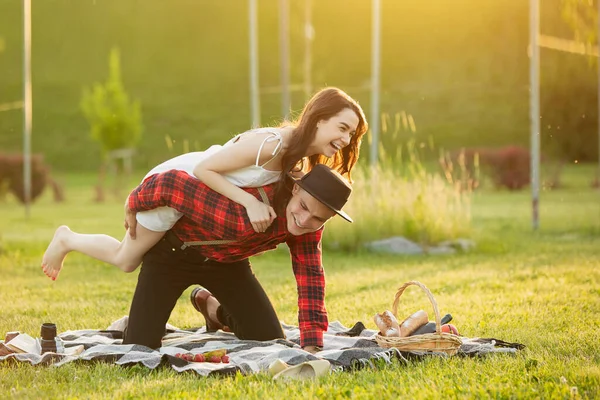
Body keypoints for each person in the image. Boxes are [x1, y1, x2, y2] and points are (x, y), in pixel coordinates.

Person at [41, 87, 367, 281]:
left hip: (201, 198)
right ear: (319, 118)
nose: (345, 138)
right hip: (179, 184)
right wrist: (251, 204)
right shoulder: (272, 145)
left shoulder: (299, 161)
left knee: (131, 257)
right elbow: (205, 169)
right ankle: (67, 238)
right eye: (342, 127)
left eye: (351, 134)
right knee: (126, 259)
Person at [122, 164, 354, 353]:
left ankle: (214, 312)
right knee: (138, 347)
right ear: (295, 190)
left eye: (318, 218)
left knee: (268, 339)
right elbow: (171, 184)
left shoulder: (309, 228)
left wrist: (311, 344)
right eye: (303, 207)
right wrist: (133, 203)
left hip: (228, 264)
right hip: (172, 255)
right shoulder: (255, 197)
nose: (304, 220)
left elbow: (310, 277)